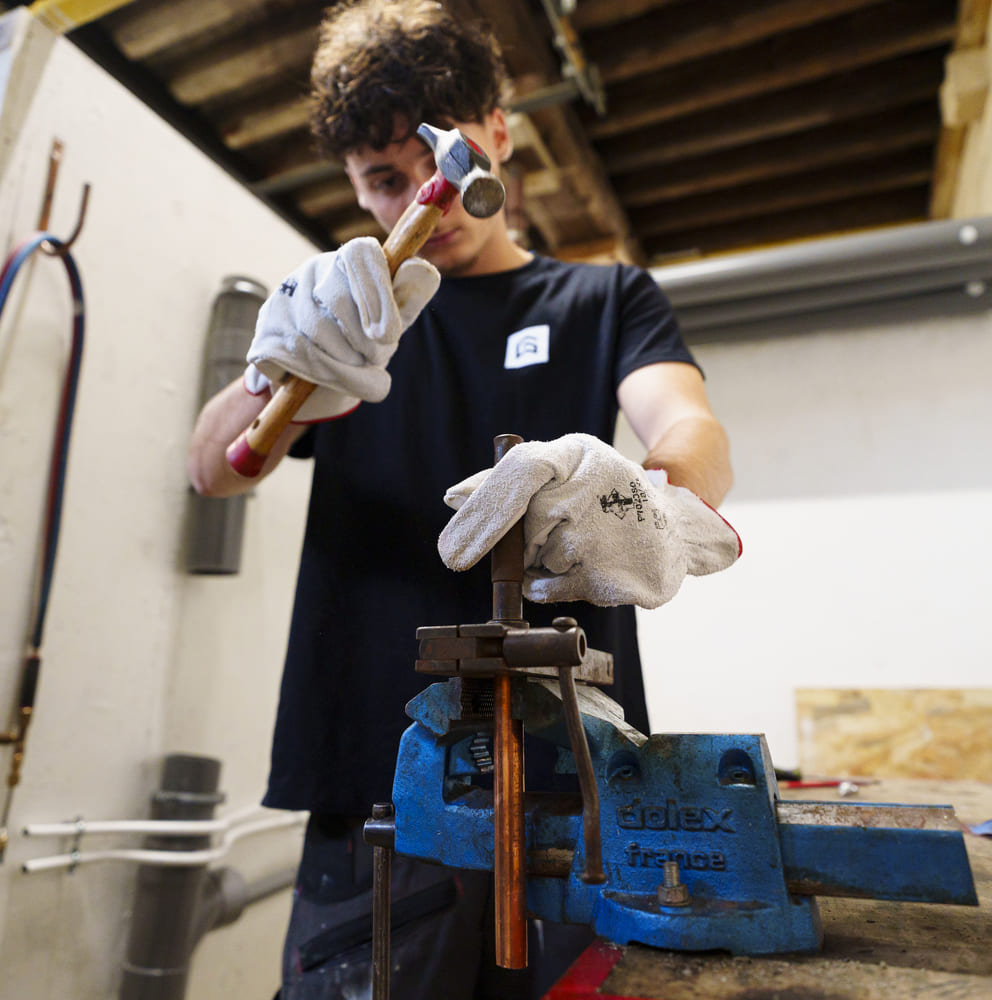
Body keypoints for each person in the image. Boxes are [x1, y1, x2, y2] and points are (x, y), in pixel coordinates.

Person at [188, 2, 738, 996]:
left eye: (430, 167)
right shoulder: (345, 326)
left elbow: (690, 433)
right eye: (383, 183)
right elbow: (215, 465)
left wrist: (636, 496)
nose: (422, 205)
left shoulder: (603, 301)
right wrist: (275, 375)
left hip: (572, 777)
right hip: (372, 789)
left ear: (497, 132)